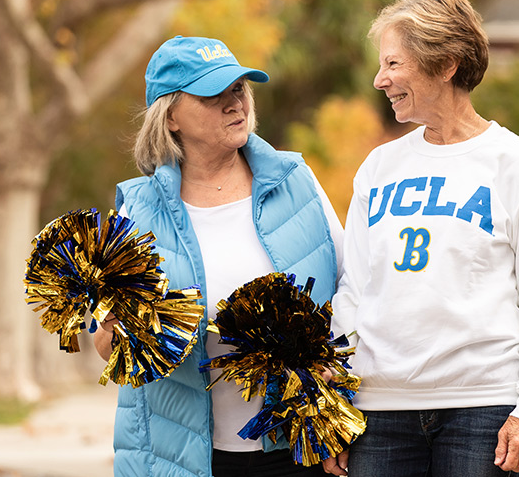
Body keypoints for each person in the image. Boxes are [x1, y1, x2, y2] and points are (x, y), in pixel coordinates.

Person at [323, 0, 519, 477]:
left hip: (483, 409)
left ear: (447, 63)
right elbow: (352, 288)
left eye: (393, 64)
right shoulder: (379, 167)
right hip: (379, 410)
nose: (380, 80)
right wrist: (338, 399)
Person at [93, 35, 343, 477]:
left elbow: (351, 292)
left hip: (298, 448)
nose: (235, 103)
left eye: (239, 89)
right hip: (184, 456)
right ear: (170, 117)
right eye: (214, 95)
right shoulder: (137, 208)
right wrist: (125, 333)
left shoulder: (298, 182)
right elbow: (107, 345)